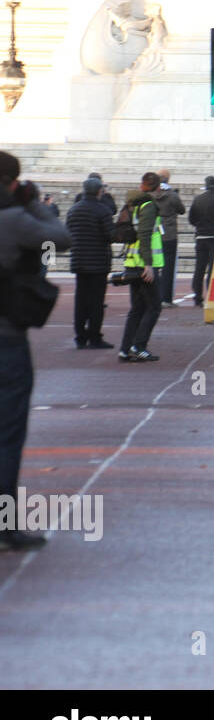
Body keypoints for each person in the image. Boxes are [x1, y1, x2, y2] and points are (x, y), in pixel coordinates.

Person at [0, 151, 70, 551]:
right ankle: (4, 523)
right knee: (7, 433)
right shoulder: (13, 220)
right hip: (6, 338)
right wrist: (32, 203)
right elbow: (61, 238)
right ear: (11, 182)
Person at [64, 175, 116, 348]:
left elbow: (68, 234)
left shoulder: (73, 210)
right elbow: (110, 235)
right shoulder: (103, 211)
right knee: (96, 302)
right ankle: (95, 336)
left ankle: (80, 337)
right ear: (99, 191)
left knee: (81, 301)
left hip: (79, 260)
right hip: (98, 262)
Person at [119, 172, 164, 362]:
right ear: (157, 187)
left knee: (137, 308)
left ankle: (126, 348)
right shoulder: (148, 206)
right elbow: (145, 235)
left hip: (131, 261)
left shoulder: (133, 204)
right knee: (154, 307)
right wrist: (148, 265)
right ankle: (139, 346)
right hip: (143, 265)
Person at [153, 168, 185, 306]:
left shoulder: (151, 194)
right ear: (168, 178)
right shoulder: (172, 196)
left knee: (154, 265)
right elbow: (181, 210)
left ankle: (153, 296)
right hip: (169, 232)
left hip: (155, 232)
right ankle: (166, 298)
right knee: (168, 266)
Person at [188, 175, 214, 307]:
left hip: (200, 236)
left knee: (199, 268)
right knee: (213, 269)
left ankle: (197, 296)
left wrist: (199, 225)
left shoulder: (198, 199)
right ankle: (211, 295)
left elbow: (191, 219)